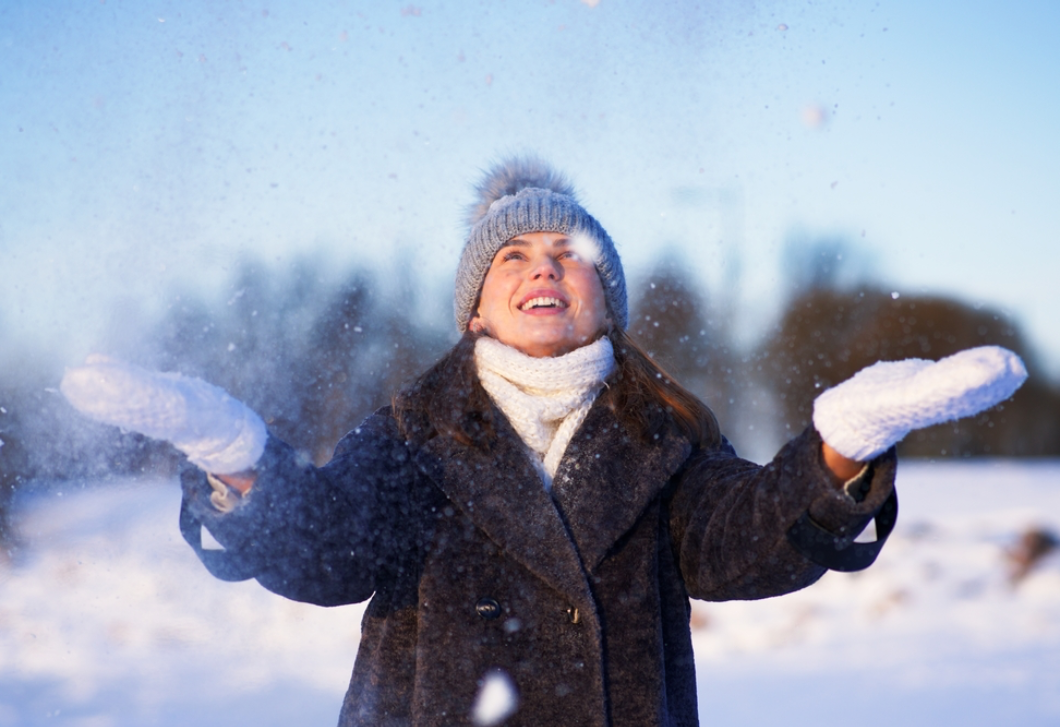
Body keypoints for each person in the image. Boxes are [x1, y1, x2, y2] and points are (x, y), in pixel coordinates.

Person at [60, 157, 1027, 727]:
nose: (544, 269)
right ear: (475, 309)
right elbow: (329, 546)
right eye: (514, 256)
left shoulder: (666, 431)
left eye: (570, 254)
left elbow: (740, 541)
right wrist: (234, 453)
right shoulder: (410, 431)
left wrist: (840, 448)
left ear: (607, 294)